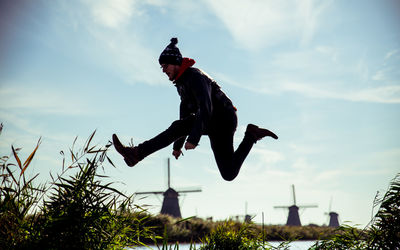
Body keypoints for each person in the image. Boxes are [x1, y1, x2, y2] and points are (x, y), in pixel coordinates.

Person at [113, 38, 278, 181]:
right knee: (229, 174)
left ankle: (136, 153)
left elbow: (206, 107)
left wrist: (193, 138)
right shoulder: (182, 84)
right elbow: (184, 117)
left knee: (179, 126)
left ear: (176, 63)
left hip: (223, 118)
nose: (163, 70)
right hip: (214, 123)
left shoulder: (195, 77)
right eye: (162, 67)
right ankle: (251, 135)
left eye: (166, 65)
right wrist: (178, 146)